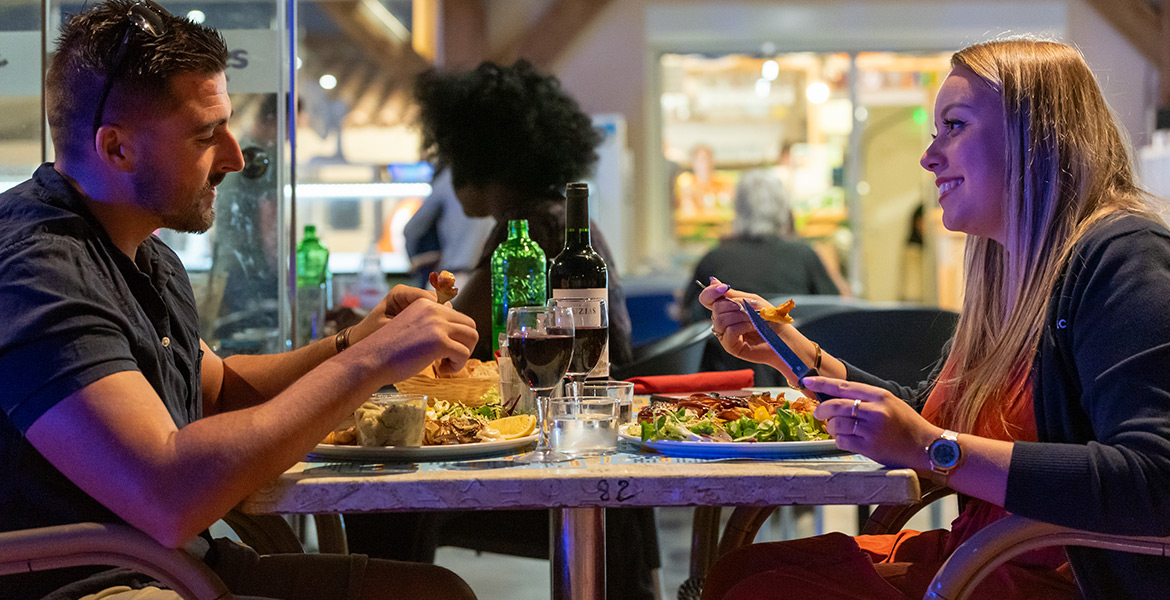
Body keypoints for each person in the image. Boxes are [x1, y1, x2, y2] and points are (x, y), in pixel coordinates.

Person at [0, 2, 480, 599]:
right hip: (92, 583)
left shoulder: (140, 250)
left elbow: (220, 390)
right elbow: (168, 496)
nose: (234, 157)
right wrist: (372, 364)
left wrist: (360, 339)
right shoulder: (38, 269)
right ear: (117, 149)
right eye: (206, 135)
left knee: (437, 594)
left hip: (174, 566)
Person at [697, 38, 1170, 600]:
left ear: (1035, 137)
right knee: (739, 573)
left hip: (1041, 579)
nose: (929, 156)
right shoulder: (1010, 270)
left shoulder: (1125, 256)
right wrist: (786, 344)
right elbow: (928, 417)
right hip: (977, 561)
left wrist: (932, 449)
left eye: (955, 126)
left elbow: (1155, 479)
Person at [344, 60, 657, 600]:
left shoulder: (530, 232)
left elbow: (448, 336)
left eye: (451, 158)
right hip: (593, 446)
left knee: (380, 491)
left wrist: (355, 337)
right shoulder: (557, 217)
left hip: (560, 451)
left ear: (479, 157)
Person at [678, 168, 839, 326]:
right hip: (790, 351)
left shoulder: (714, 259)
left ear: (738, 208)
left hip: (728, 350)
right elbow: (835, 309)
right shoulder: (805, 256)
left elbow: (686, 314)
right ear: (783, 208)